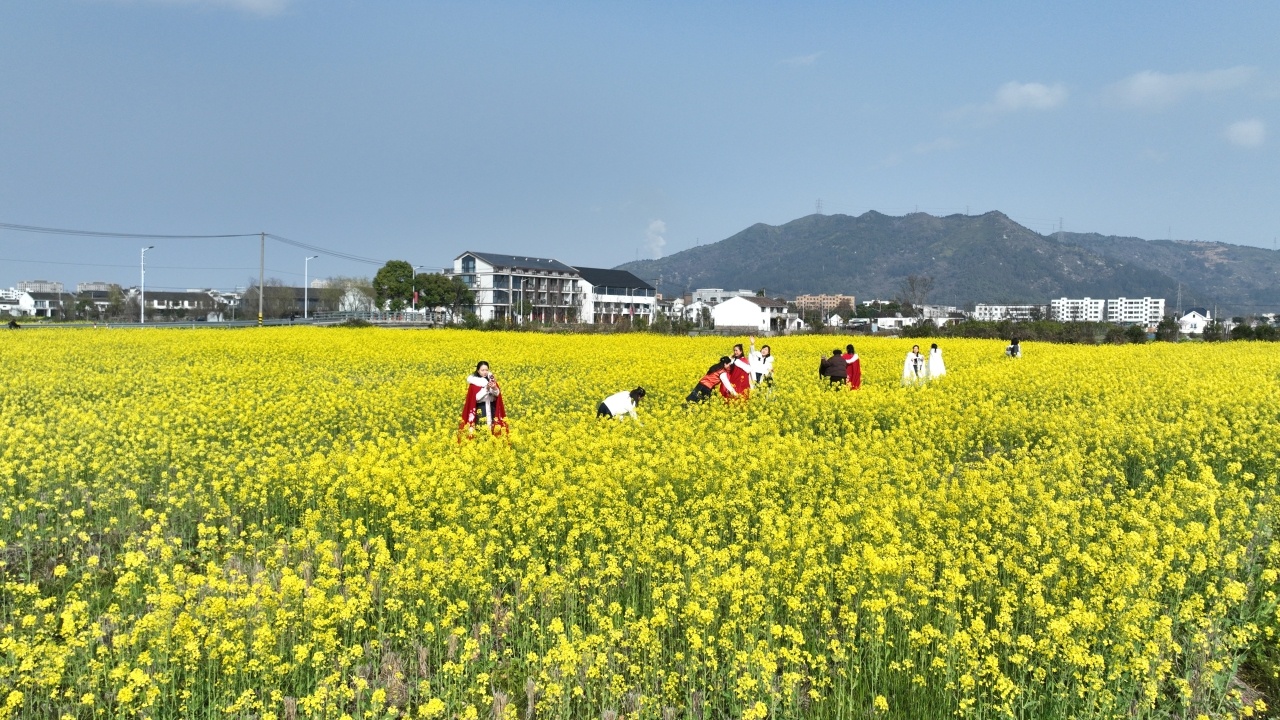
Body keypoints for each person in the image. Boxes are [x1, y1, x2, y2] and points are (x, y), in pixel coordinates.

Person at [459, 361, 508, 439]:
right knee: (480, 431)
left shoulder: (491, 380)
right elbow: (476, 398)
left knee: (493, 431)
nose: (485, 372)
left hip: (492, 408)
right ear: (478, 371)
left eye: (486, 370)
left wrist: (494, 388)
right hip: (480, 409)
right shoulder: (474, 383)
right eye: (482, 370)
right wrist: (486, 388)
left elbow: (497, 395)